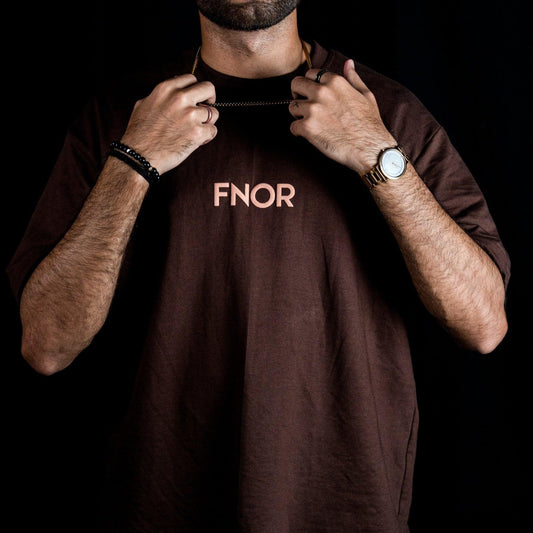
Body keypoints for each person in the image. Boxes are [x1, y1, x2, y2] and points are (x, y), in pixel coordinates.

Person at [7, 1, 510, 531]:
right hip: (161, 509)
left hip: (344, 509)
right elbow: (46, 345)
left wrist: (376, 152)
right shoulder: (124, 116)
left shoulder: (385, 111)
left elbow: (483, 325)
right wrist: (134, 160)